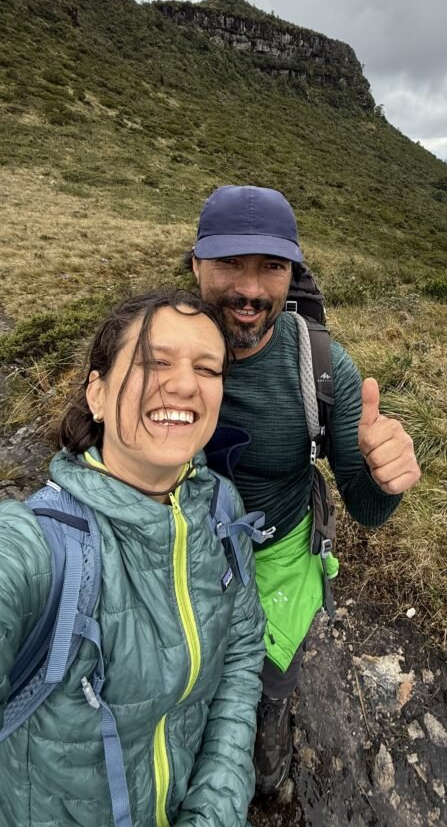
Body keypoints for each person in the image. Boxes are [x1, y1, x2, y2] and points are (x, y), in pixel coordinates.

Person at [186, 185, 421, 794]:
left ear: (292, 271)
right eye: (229, 264)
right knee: (182, 677)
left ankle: (267, 745)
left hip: (279, 559)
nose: (250, 289)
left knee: (267, 682)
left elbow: (366, 510)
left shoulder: (320, 368)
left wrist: (382, 474)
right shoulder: (160, 351)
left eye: (271, 266)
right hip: (177, 554)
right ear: (195, 265)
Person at [0, 288, 265, 827]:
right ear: (96, 393)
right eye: (154, 361)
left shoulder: (220, 505)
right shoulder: (34, 549)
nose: (185, 384)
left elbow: (239, 657)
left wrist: (213, 813)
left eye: (208, 369)